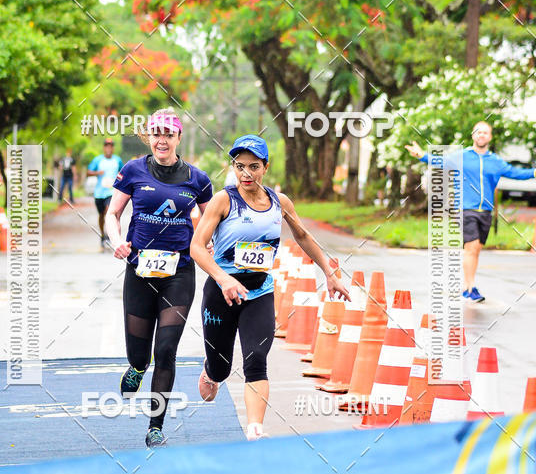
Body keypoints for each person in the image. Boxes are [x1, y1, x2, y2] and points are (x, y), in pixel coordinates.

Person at [190, 134, 350, 440]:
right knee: (221, 370)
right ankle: (212, 370)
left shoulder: (280, 202)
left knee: (256, 360)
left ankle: (255, 431)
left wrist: (329, 273)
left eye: (253, 166)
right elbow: (197, 247)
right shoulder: (224, 200)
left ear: (266, 167)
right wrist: (223, 278)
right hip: (220, 294)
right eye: (240, 167)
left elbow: (302, 236)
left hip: (259, 293)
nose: (246, 174)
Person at [105, 108, 213, 448]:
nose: (162, 139)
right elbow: (113, 213)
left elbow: (213, 221)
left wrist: (208, 241)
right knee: (140, 354)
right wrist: (116, 239)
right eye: (156, 133)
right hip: (139, 271)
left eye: (169, 133)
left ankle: (156, 425)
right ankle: (137, 368)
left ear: (179, 138)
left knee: (166, 350)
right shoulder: (133, 170)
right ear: (149, 137)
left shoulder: (197, 179)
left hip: (178, 273)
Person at [406, 121, 536, 303]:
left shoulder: (495, 161)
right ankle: (470, 287)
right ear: (473, 135)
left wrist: (534, 172)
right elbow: (440, 161)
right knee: (471, 247)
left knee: (475, 250)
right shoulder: (462, 156)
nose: (481, 135)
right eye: (478, 132)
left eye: (485, 132)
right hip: (465, 209)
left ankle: (467, 288)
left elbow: (515, 173)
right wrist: (421, 155)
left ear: (489, 137)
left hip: (485, 212)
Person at [88, 139, 123, 250]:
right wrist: (98, 173)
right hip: (99, 193)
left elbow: (123, 172)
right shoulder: (98, 160)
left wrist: (119, 177)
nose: (109, 148)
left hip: (111, 192)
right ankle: (102, 234)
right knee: (101, 215)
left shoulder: (117, 160)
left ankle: (109, 236)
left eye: (111, 146)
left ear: (113, 148)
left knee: (109, 211)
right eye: (107, 146)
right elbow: (88, 172)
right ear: (104, 148)